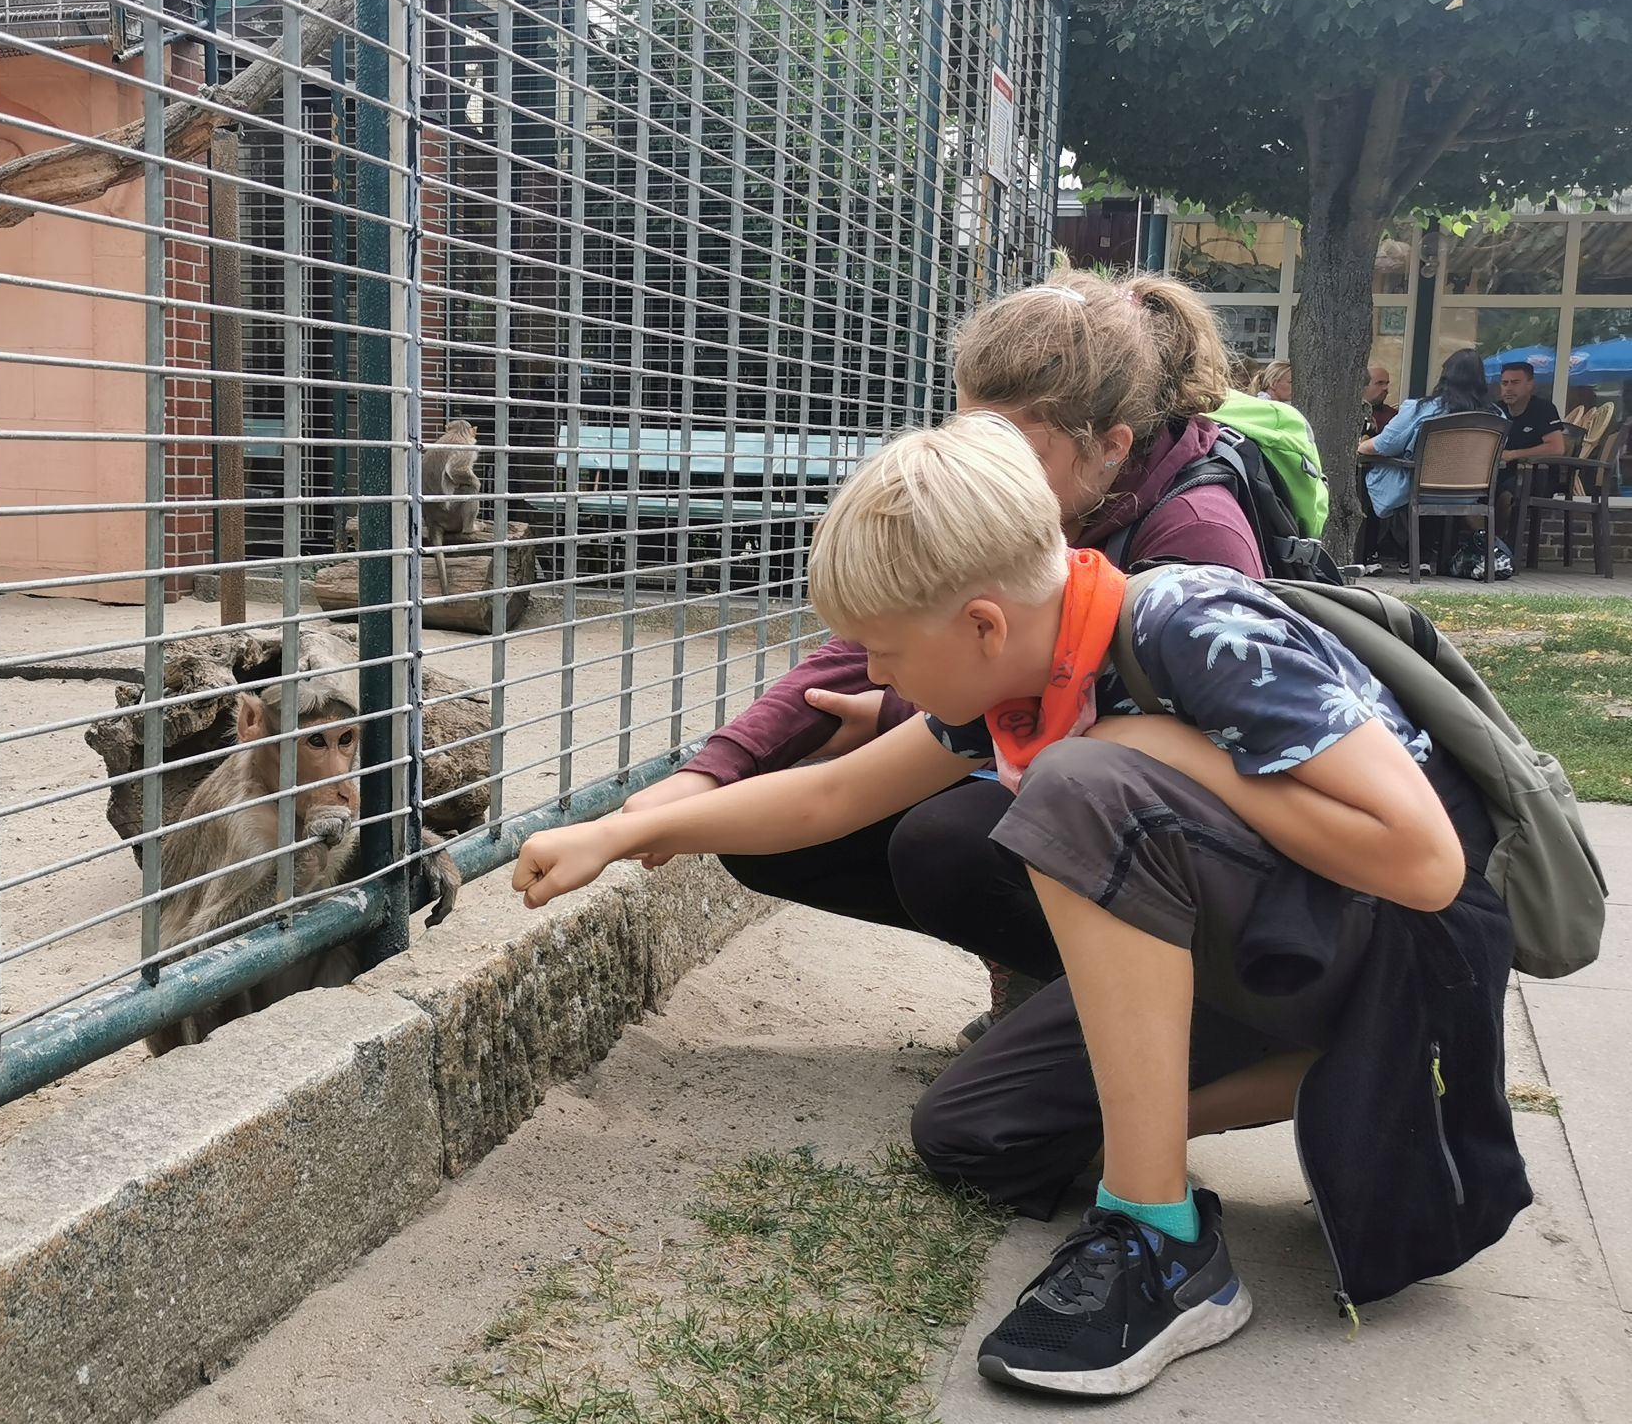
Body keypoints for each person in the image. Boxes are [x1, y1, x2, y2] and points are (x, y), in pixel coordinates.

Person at [513, 413, 1524, 1398]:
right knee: (974, 1133)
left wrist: (1164, 750)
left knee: (1078, 788)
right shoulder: (1027, 677)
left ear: (982, 622)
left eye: (886, 651)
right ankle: (1334, 1077)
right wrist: (617, 834)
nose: (872, 675)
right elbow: (832, 794)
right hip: (1278, 947)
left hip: (1393, 944)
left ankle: (1158, 1237)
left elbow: (1425, 863)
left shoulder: (1190, 625)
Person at [622, 268, 1264, 1046]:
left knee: (952, 841)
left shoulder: (1199, 541)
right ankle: (1049, 977)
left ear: (1109, 448)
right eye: (972, 435)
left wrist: (903, 713)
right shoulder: (1031, 490)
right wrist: (705, 777)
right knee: (770, 800)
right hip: (1043, 758)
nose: (985, 464)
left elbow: (1194, 774)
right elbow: (869, 640)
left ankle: (1150, 1007)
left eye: (1012, 447)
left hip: (1190, 853)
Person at [1358, 348, 1502, 573]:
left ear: (1444, 376)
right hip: (1472, 493)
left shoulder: (1422, 409)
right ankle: (1420, 559)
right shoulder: (1496, 416)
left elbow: (1386, 444)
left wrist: (1359, 446)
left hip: (1421, 486)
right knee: (1427, 480)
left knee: (1364, 480)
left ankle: (1367, 556)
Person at [1493, 361, 1567, 539]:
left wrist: (1513, 454)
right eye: (1505, 383)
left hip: (1537, 477)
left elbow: (1557, 448)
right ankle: (1479, 546)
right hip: (1499, 474)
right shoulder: (1495, 410)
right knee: (1468, 493)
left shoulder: (1544, 409)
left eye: (1515, 383)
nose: (1509, 388)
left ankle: (1499, 549)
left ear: (1530, 385)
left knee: (1506, 496)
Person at [1361, 364, 1396, 437]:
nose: (1385, 388)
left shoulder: (1393, 417)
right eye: (1380, 383)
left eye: (1387, 383)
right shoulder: (1348, 412)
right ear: (1363, 385)